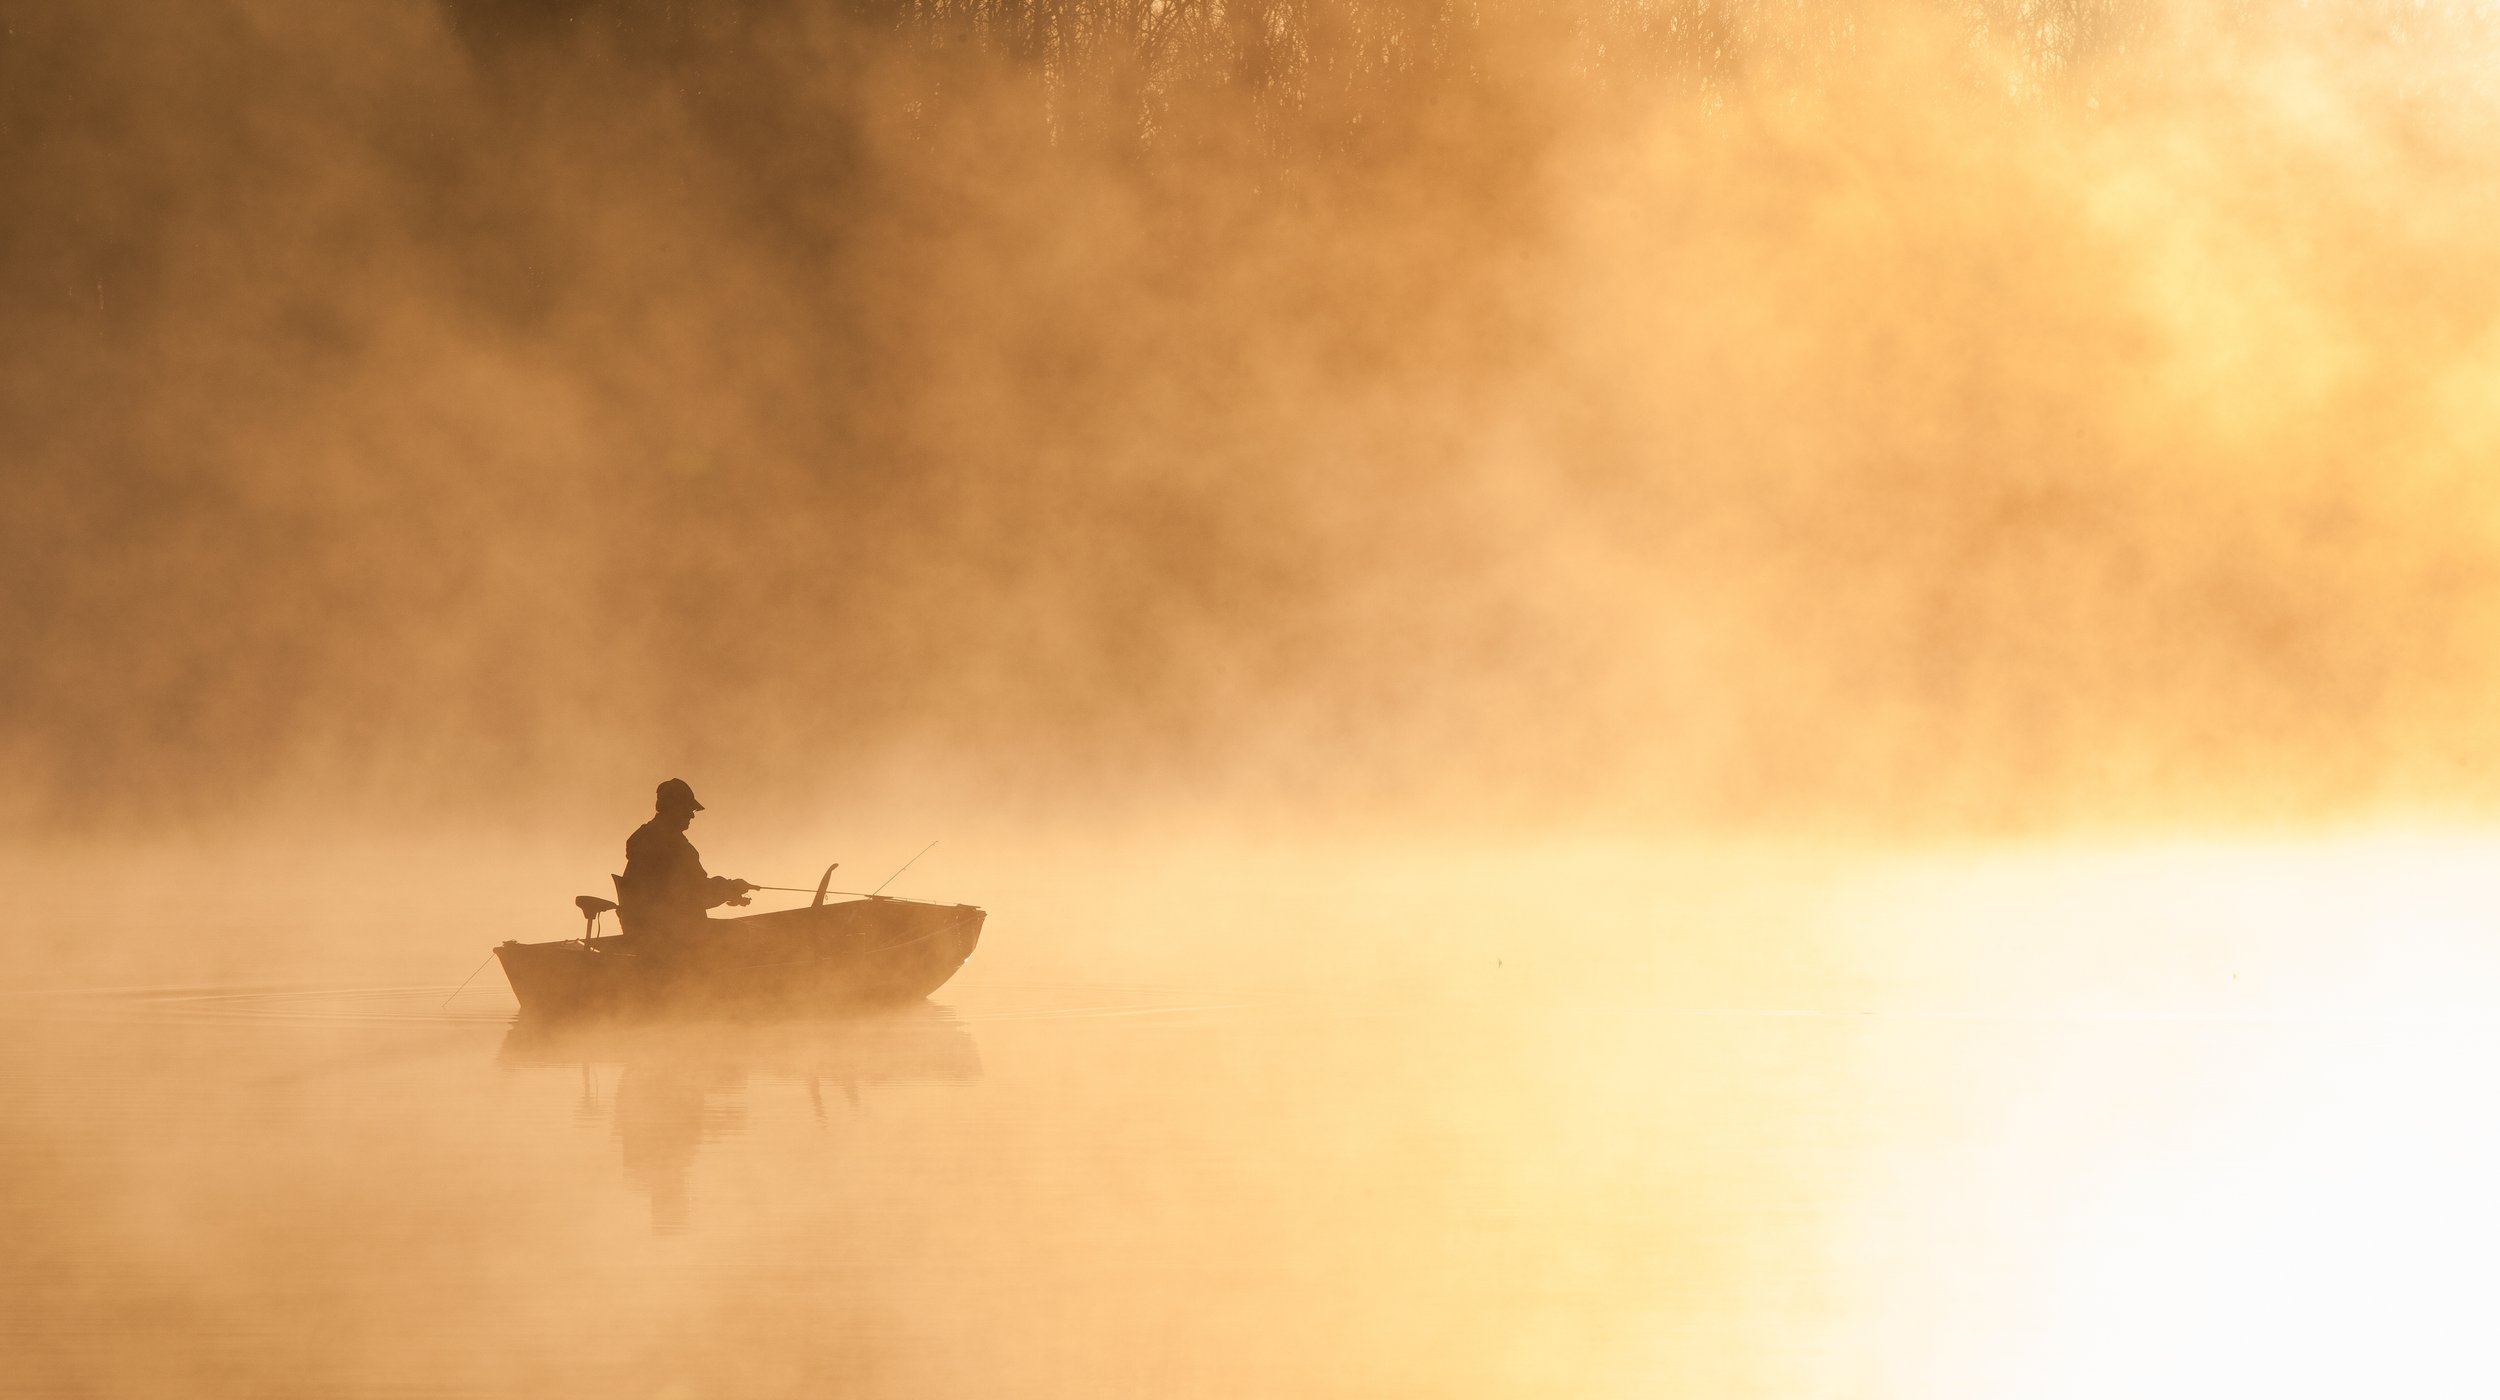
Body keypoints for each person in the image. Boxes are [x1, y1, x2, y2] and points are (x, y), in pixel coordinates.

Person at [617, 779, 754, 937]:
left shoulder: (644, 839)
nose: (691, 815)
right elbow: (697, 894)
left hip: (642, 933)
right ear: (674, 807)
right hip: (672, 934)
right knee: (738, 932)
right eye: (688, 809)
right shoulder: (674, 845)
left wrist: (728, 891)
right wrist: (731, 888)